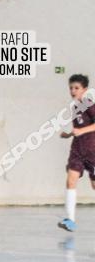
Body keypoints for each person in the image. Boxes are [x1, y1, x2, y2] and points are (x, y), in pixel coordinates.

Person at [59, 74, 95, 232]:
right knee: (70, 180)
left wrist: (81, 130)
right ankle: (70, 220)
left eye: (76, 88)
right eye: (71, 88)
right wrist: (68, 134)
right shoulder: (75, 107)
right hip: (77, 150)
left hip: (92, 150)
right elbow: (78, 129)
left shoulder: (89, 105)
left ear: (84, 90)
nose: (73, 91)